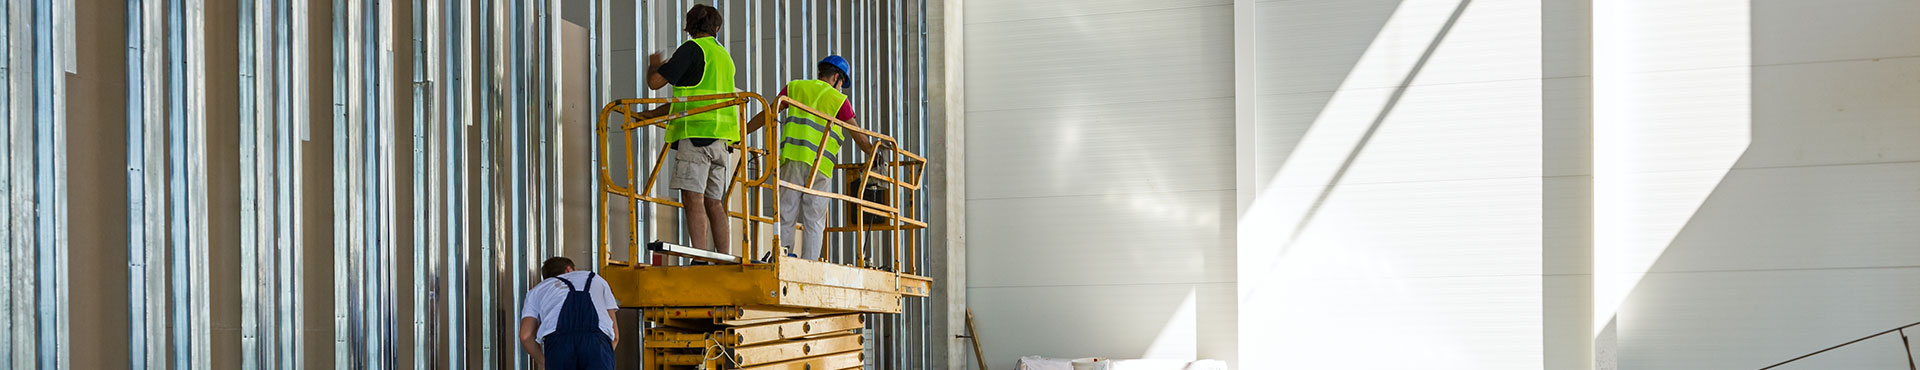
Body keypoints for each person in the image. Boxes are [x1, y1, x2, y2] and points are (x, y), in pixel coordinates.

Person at [746, 56, 874, 261]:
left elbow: (768, 113)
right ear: (836, 78)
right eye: (842, 84)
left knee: (786, 211)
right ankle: (810, 261)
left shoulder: (795, 87)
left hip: (793, 158)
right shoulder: (838, 100)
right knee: (814, 218)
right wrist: (873, 153)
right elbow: (857, 134)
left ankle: (783, 255)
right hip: (820, 167)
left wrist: (743, 131)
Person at [646, 4, 739, 257]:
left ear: (689, 26)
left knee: (693, 199)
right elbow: (690, 99)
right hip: (721, 140)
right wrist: (649, 115)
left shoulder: (692, 50)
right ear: (716, 28)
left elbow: (655, 83)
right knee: (715, 203)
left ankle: (700, 257)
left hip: (696, 136)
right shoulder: (723, 56)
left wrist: (654, 65)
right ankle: (722, 256)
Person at [518, 257, 619, 370]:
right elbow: (615, 335)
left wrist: (543, 362)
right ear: (569, 269)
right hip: (597, 344)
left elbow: (525, 335)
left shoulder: (538, 290)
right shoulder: (596, 279)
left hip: (558, 347)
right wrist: (604, 355)